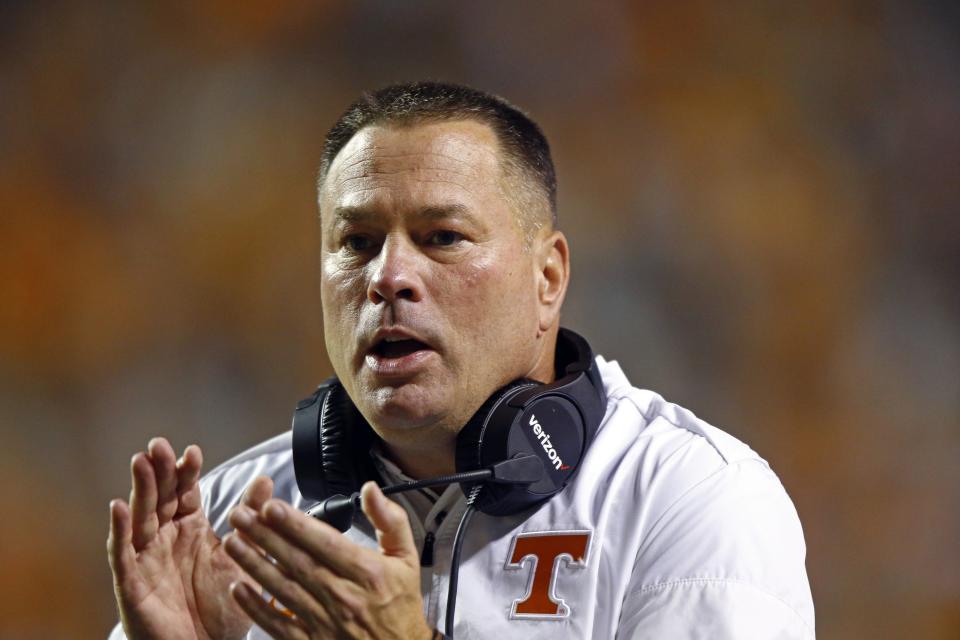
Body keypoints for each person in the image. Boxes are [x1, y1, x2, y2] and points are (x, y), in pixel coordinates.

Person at [106, 82, 815, 639]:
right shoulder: (239, 518)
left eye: (442, 236)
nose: (389, 276)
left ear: (548, 278)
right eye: (356, 242)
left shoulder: (689, 501)